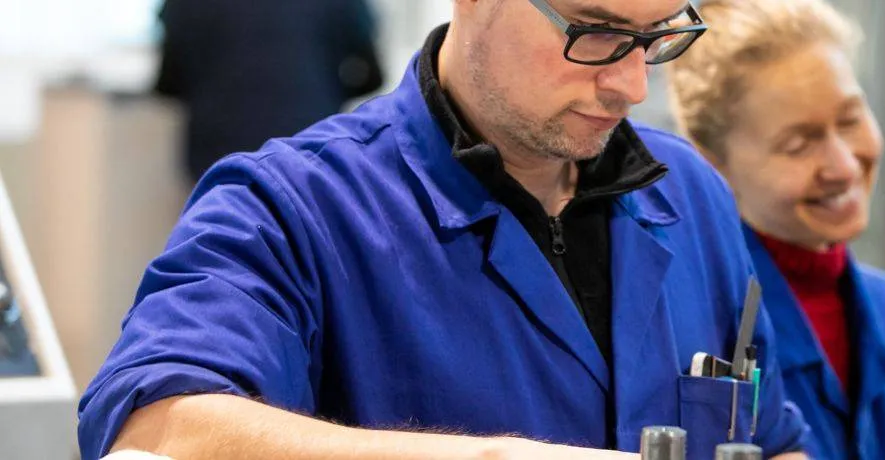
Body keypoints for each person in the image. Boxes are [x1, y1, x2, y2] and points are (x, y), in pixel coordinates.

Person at [76, 1, 814, 459]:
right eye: (595, 34)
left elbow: (772, 441)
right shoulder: (291, 207)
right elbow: (154, 429)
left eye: (657, 36)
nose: (631, 85)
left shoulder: (692, 197)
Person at [667, 0, 885, 458]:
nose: (842, 165)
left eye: (851, 120)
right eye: (798, 145)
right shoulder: (696, 333)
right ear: (711, 164)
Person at [155, 0, 385, 181]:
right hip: (309, 147)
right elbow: (371, 75)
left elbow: (169, 83)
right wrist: (323, 93)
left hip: (218, 155)